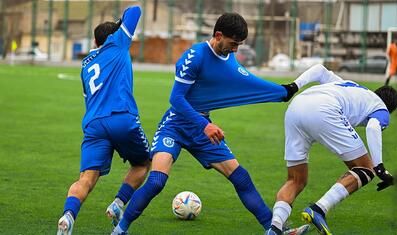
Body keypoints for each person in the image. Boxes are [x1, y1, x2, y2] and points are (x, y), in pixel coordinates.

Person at [110, 12, 311, 235]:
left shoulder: (229, 58)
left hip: (202, 129)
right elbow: (176, 99)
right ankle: (120, 230)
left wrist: (282, 92)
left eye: (239, 45)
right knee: (157, 181)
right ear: (218, 35)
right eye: (234, 43)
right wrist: (204, 125)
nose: (236, 50)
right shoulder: (195, 56)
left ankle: (273, 230)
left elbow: (247, 82)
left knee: (241, 177)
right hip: (175, 125)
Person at [266, 64, 397, 235]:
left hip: (295, 107)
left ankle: (274, 228)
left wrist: (294, 86)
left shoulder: (352, 86)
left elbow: (319, 70)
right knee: (366, 169)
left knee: (295, 180)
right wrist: (380, 168)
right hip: (325, 110)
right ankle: (319, 209)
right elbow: (373, 127)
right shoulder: (381, 107)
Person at [57, 6, 151, 235]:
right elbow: (136, 10)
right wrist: (120, 25)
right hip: (120, 117)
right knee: (143, 164)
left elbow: (88, 99)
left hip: (94, 124)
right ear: (111, 37)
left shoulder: (85, 65)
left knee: (86, 179)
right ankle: (118, 203)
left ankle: (68, 216)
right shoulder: (117, 43)